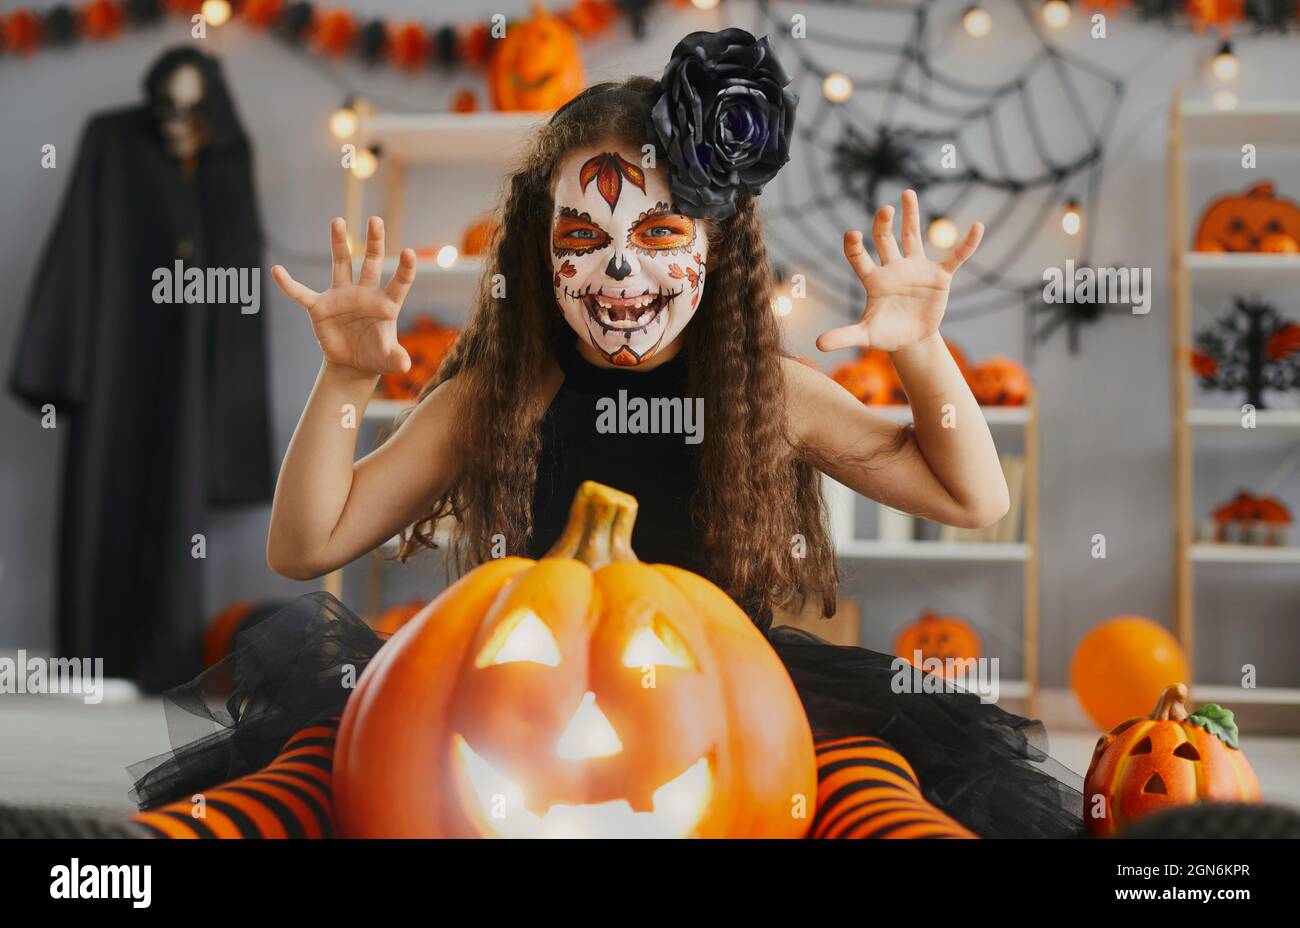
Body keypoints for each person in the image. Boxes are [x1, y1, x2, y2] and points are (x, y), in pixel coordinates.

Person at [130, 29, 1082, 838]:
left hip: (723, 691)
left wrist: (920, 349)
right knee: (330, 759)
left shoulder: (767, 393)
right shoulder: (496, 397)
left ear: (716, 244)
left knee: (859, 770)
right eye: (582, 238)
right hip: (517, 691)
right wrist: (343, 378)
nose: (621, 268)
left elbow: (975, 498)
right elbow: (306, 546)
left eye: (661, 232)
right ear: (542, 253)